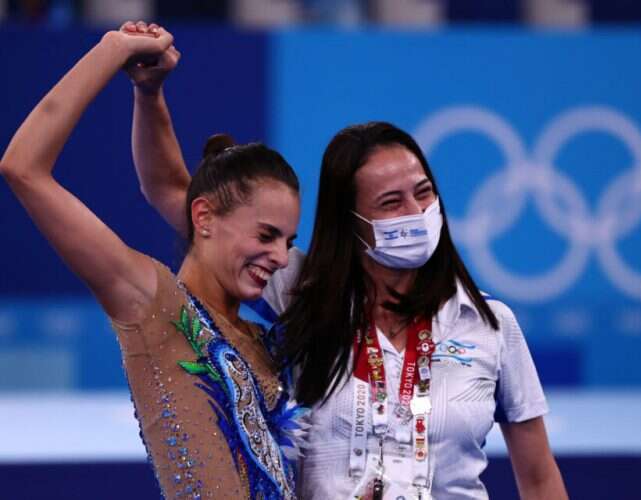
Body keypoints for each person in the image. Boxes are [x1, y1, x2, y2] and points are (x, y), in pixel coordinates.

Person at [129, 48, 567, 499]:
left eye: (423, 194)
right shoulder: (308, 294)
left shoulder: (491, 324)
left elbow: (537, 477)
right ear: (352, 222)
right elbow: (170, 190)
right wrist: (149, 91)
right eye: (391, 203)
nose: (416, 214)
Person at [0, 24, 305, 500]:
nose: (282, 257)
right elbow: (23, 168)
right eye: (266, 235)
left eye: (288, 240)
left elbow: (165, 182)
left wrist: (150, 90)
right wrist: (112, 49)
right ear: (203, 217)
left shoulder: (264, 340)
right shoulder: (154, 302)